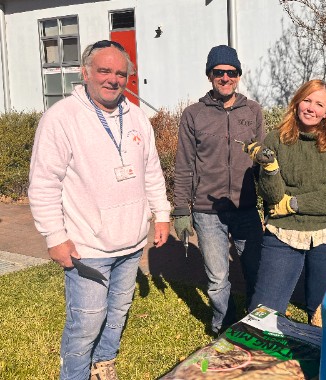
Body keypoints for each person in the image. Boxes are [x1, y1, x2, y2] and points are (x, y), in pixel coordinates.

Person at [28, 40, 171, 380]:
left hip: (132, 243)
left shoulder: (136, 116)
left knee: (118, 311)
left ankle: (103, 363)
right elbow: (44, 182)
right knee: (87, 322)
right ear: (86, 72)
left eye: (120, 73)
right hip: (87, 246)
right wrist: (54, 236)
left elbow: (151, 170)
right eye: (104, 70)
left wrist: (161, 214)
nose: (113, 79)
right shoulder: (61, 119)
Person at [172, 45, 264, 335]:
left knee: (256, 271)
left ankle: (255, 323)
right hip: (206, 211)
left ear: (238, 75)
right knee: (217, 278)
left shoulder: (253, 111)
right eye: (218, 72)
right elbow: (184, 164)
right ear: (209, 75)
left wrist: (272, 202)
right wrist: (180, 210)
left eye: (231, 72)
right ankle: (223, 326)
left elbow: (263, 162)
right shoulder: (193, 114)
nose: (225, 77)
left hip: (246, 207)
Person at [246, 79, 326, 325]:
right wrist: (271, 169)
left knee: (321, 312)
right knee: (263, 311)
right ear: (296, 103)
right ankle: (260, 360)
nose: (311, 108)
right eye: (306, 100)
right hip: (284, 231)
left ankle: (317, 360)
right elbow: (273, 197)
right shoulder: (276, 140)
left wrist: (295, 203)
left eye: (319, 104)